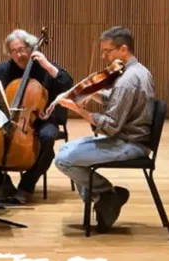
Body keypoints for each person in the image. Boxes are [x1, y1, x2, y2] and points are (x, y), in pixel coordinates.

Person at [51, 26, 156, 233]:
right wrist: (92, 92)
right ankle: (104, 201)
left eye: (108, 51)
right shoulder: (139, 71)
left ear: (123, 49)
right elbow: (117, 100)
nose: (103, 56)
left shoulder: (128, 80)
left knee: (63, 160)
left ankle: (107, 195)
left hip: (130, 143)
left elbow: (111, 126)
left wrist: (78, 109)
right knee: (64, 151)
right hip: (129, 138)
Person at [0, 29, 74, 205]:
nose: (19, 54)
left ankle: (27, 185)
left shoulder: (44, 67)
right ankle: (0, 184)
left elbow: (68, 85)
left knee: (48, 137)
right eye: (14, 51)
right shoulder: (0, 70)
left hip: (41, 120)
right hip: (6, 119)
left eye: (22, 49)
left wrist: (48, 66)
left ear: (31, 49)